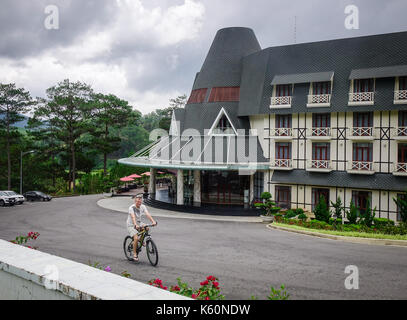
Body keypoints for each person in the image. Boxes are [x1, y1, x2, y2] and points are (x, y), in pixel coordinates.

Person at [127, 194, 157, 262]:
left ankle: (141, 240)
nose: (139, 202)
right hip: (131, 224)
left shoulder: (143, 206)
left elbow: (147, 214)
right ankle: (135, 254)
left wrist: (153, 221)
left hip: (139, 223)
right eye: (138, 201)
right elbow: (133, 217)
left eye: (140, 201)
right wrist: (135, 225)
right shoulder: (131, 208)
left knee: (147, 228)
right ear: (135, 201)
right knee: (136, 238)